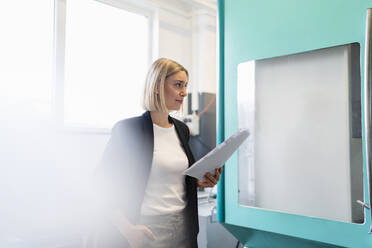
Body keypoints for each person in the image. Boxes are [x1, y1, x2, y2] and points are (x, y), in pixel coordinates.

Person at [93, 58, 222, 248]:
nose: (184, 92)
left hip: (184, 228)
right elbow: (100, 184)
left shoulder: (181, 129)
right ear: (157, 86)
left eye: (186, 85)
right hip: (146, 230)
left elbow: (169, 178)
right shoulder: (129, 129)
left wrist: (196, 181)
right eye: (178, 85)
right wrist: (127, 229)